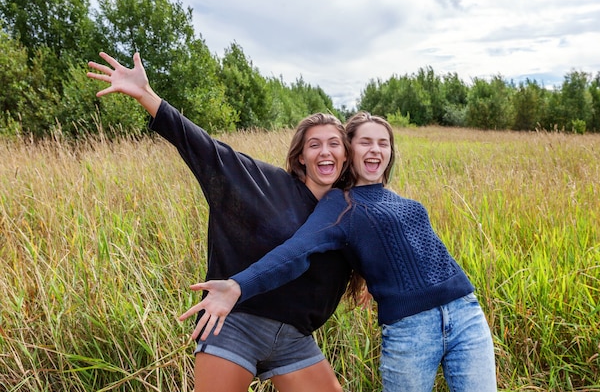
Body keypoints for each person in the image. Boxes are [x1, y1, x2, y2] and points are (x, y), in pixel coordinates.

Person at [87, 51, 359, 392]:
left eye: (334, 144)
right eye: (314, 144)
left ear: (346, 155)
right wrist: (146, 95)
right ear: (300, 156)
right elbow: (205, 149)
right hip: (235, 323)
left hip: (295, 339)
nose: (325, 152)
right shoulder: (265, 182)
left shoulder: (350, 212)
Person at [185, 111, 498, 392]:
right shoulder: (340, 204)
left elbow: (386, 248)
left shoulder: (398, 201)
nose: (376, 149)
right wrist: (238, 285)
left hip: (466, 311)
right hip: (410, 329)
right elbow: (295, 251)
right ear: (351, 152)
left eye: (384, 143)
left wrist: (368, 273)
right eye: (365, 142)